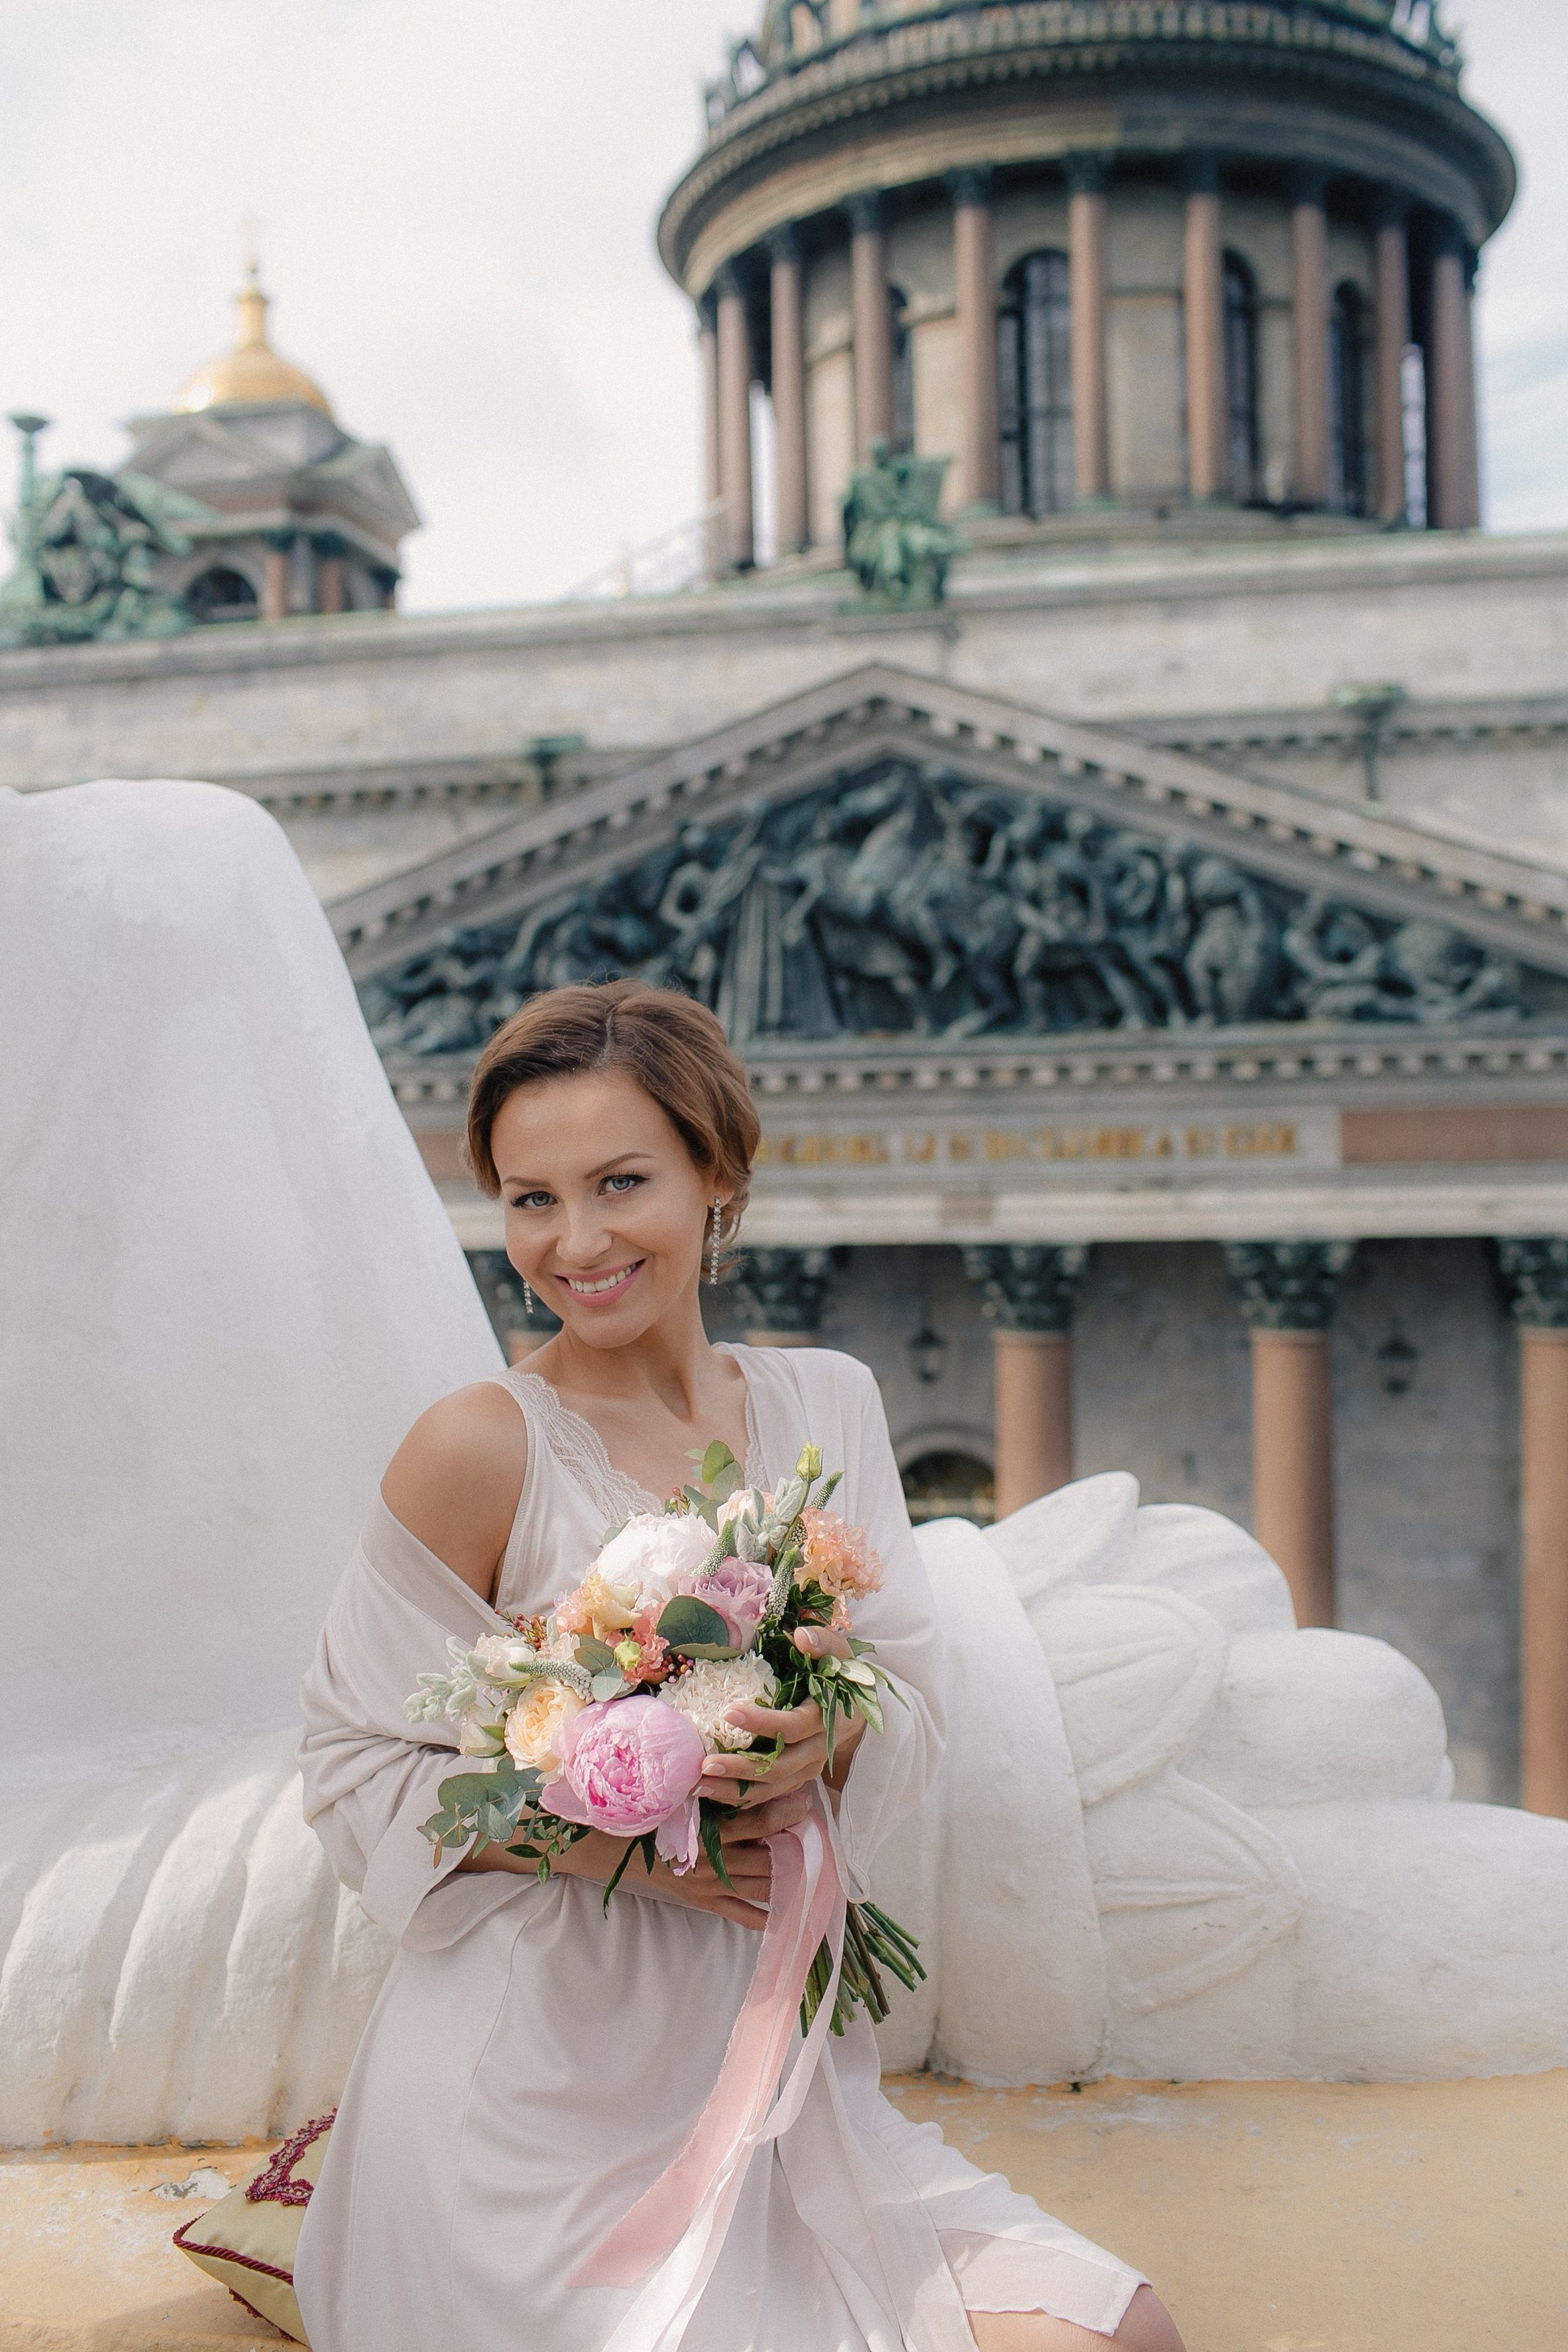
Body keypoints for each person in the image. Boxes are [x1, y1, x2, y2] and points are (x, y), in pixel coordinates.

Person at [294, 979, 1184, 2352]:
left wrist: (822, 1737)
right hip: (528, 2106)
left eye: (619, 1182)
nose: (572, 1241)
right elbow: (352, 1763)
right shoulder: (478, 1445)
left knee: (1120, 2332)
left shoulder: (830, 1402)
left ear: (718, 1173)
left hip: (776, 2076)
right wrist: (627, 1847)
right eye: (528, 1199)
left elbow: (908, 1693)